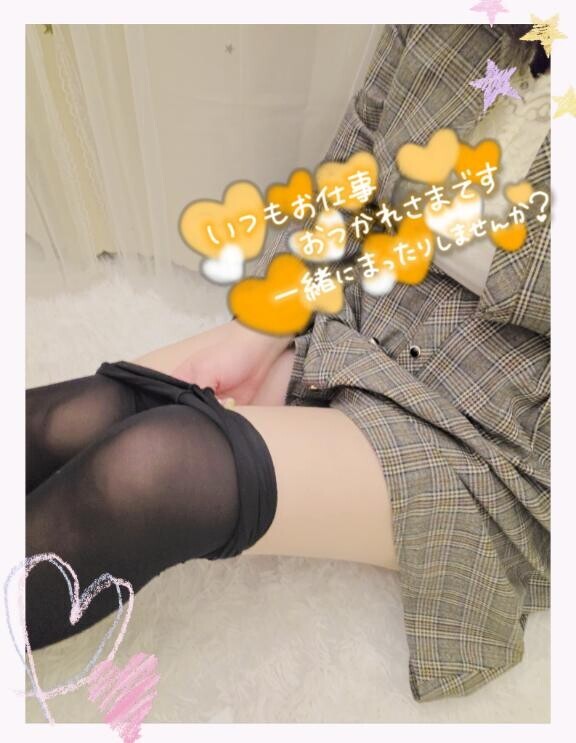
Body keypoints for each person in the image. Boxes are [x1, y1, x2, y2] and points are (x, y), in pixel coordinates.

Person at [25, 24, 550, 703]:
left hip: (505, 423)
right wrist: (264, 326)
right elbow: (357, 166)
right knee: (65, 421)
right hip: (363, 315)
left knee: (149, 473)